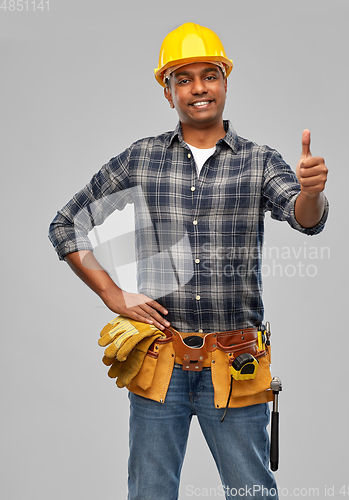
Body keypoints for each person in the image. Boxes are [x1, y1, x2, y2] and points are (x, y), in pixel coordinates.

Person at [49, 22, 328, 500]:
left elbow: (306, 220)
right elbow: (65, 226)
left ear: (225, 81)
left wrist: (311, 193)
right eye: (184, 78)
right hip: (162, 364)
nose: (199, 88)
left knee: (253, 493)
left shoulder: (259, 161)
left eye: (210, 75)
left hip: (235, 363)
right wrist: (112, 295)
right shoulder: (142, 158)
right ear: (168, 91)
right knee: (150, 494)